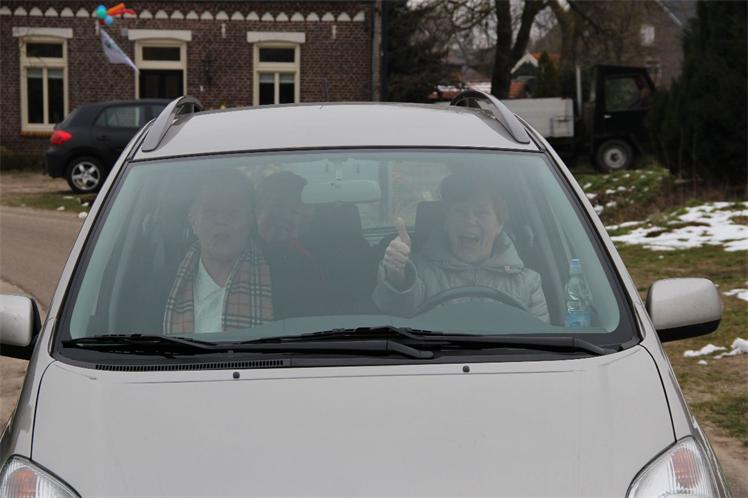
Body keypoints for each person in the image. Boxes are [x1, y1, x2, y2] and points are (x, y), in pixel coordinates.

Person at [373, 172, 549, 322]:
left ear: (499, 225)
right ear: (446, 222)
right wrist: (397, 276)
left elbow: (541, 343)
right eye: (460, 211)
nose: (470, 221)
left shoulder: (528, 283)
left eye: (482, 212)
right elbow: (395, 313)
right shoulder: (418, 272)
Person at [163, 170, 273, 334]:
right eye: (210, 211)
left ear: (250, 222)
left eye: (233, 212)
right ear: (193, 221)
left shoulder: (283, 281)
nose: (221, 220)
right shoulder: (159, 288)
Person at [255, 171, 324, 318]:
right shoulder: (235, 253)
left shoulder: (307, 262)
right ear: (257, 208)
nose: (285, 217)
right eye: (278, 206)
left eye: (294, 211)